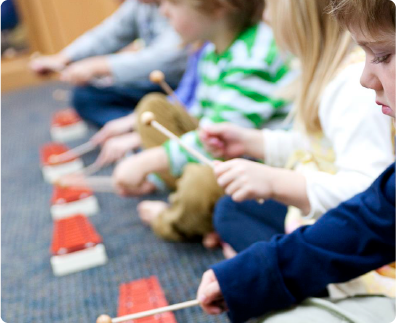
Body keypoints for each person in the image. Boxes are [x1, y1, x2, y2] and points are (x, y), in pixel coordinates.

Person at [196, 0, 396, 322]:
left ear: (304, 18)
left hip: (373, 260)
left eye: (382, 56)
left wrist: (277, 183)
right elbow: (314, 147)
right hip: (343, 223)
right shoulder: (326, 77)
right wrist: (254, 142)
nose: (263, 14)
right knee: (231, 209)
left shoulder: (350, 91)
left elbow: (366, 195)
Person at [112, 0, 294, 243]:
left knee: (200, 182)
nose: (163, 11)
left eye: (173, 3)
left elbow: (217, 136)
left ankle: (174, 218)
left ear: (218, 6)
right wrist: (154, 176)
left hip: (259, 168)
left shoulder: (253, 55)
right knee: (152, 109)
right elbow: (201, 120)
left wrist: (147, 162)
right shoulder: (212, 50)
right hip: (222, 152)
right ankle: (198, 208)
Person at [30, 0, 187, 127]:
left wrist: (99, 66)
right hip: (149, 83)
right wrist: (64, 57)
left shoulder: (179, 6)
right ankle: (137, 126)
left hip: (180, 86)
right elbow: (108, 35)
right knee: (85, 97)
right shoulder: (139, 4)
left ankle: (148, 130)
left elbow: (169, 56)